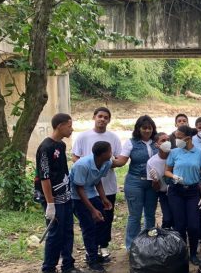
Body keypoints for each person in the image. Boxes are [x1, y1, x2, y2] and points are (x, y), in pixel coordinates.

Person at [34, 113, 89, 273]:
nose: (71, 129)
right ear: (59, 126)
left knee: (67, 231)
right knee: (55, 233)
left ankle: (68, 266)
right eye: (69, 126)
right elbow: (45, 177)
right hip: (52, 198)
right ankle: (48, 269)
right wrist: (50, 203)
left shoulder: (62, 145)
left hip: (65, 195)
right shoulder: (45, 148)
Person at [71, 106, 122, 262]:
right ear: (94, 117)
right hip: (81, 192)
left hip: (100, 189)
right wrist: (92, 209)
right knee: (89, 223)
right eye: (100, 116)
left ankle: (102, 248)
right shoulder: (83, 145)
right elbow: (79, 186)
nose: (102, 119)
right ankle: (91, 256)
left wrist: (104, 197)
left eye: (106, 117)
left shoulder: (109, 150)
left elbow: (100, 176)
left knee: (103, 218)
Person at [164, 125, 201, 265]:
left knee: (194, 225)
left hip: (192, 192)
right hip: (176, 191)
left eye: (178, 137)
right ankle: (182, 253)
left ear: (188, 138)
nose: (176, 140)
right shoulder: (174, 152)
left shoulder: (200, 153)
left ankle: (193, 253)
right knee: (179, 224)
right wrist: (174, 176)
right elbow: (166, 171)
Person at [114, 115, 158, 250]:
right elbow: (121, 161)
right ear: (138, 129)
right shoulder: (131, 143)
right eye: (144, 128)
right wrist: (103, 162)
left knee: (150, 214)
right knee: (135, 215)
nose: (147, 131)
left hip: (153, 184)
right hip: (135, 182)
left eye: (149, 128)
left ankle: (150, 244)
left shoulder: (157, 142)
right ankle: (132, 246)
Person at [70, 141, 113, 273]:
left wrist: (103, 198)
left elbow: (97, 180)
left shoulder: (106, 163)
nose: (112, 153)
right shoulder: (82, 165)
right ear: (102, 154)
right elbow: (79, 189)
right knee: (89, 227)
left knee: (102, 221)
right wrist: (92, 210)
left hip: (91, 193)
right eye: (110, 151)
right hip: (77, 197)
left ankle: (94, 252)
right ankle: (92, 260)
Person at [147, 133, 173, 228]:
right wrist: (155, 180)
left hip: (178, 192)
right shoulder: (152, 162)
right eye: (163, 140)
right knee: (167, 218)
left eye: (168, 140)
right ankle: (165, 236)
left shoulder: (176, 155)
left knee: (179, 218)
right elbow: (156, 188)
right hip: (164, 194)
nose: (167, 143)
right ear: (156, 145)